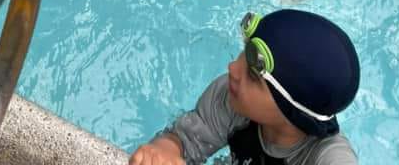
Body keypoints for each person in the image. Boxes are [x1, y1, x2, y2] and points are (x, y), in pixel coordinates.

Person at [130, 9, 361, 165]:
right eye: (244, 51)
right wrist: (166, 149)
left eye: (252, 75)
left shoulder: (327, 156)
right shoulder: (231, 96)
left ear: (290, 110)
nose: (233, 68)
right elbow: (186, 139)